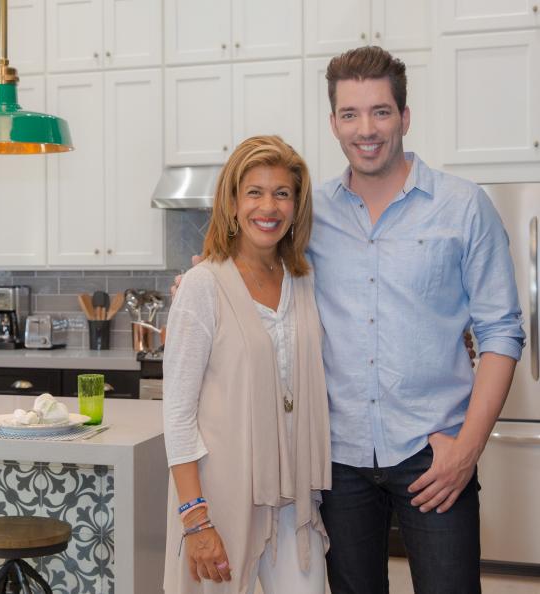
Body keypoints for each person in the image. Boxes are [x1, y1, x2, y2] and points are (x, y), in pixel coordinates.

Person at [171, 46, 524, 594]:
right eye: (350, 114)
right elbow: (254, 263)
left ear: (405, 118)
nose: (367, 129)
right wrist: (202, 282)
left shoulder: (463, 207)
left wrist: (467, 449)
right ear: (333, 122)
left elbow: (501, 331)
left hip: (433, 456)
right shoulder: (311, 216)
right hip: (336, 463)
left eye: (381, 111)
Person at [163, 135, 332, 593]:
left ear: (296, 206)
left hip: (295, 498)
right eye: (254, 192)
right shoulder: (202, 285)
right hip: (219, 497)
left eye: (282, 193)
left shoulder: (304, 280)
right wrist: (195, 520)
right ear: (233, 202)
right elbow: (177, 415)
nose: (269, 206)